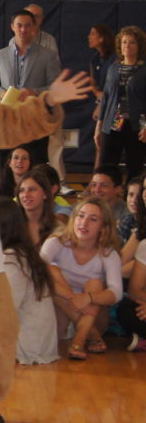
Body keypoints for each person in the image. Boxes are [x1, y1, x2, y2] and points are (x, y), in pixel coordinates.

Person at [40, 197, 121, 360]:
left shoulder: (109, 253)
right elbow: (35, 273)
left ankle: (79, 338)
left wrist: (88, 297)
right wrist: (73, 297)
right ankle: (91, 335)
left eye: (93, 219)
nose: (84, 223)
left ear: (103, 227)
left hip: (94, 315)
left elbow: (116, 293)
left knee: (95, 283)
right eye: (81, 216)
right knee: (50, 271)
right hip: (62, 307)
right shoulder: (57, 241)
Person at [0, 9, 62, 167]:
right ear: (12, 26)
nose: (23, 29)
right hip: (7, 120)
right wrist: (2, 94)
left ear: (34, 28)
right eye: (19, 25)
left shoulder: (47, 55)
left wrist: (35, 92)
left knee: (36, 167)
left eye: (27, 26)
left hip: (34, 120)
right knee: (6, 167)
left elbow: (56, 87)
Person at [0, 198, 58, 364]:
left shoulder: (11, 261)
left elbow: (4, 313)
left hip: (27, 349)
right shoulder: (19, 253)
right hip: (31, 343)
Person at [96, 25, 146, 180]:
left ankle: (132, 201)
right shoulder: (113, 68)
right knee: (107, 166)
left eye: (132, 42)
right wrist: (99, 126)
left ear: (139, 46)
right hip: (113, 122)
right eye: (124, 42)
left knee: (134, 166)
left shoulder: (144, 69)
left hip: (136, 125)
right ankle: (107, 201)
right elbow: (105, 98)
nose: (127, 46)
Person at [17, 170, 58, 248]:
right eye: (21, 190)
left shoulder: (58, 228)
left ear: (45, 194)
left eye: (32, 189)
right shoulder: (11, 225)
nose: (25, 195)